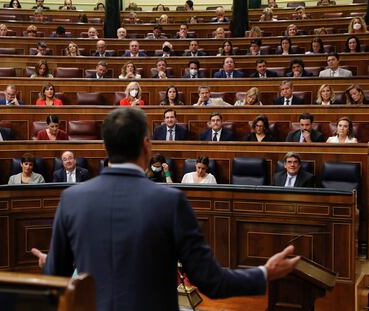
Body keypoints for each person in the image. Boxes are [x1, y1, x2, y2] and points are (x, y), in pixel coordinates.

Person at [34, 107, 299, 310]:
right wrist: (264, 273)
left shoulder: (72, 199)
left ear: (106, 148)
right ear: (147, 145)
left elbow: (55, 279)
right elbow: (211, 281)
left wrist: (49, 263)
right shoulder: (170, 201)